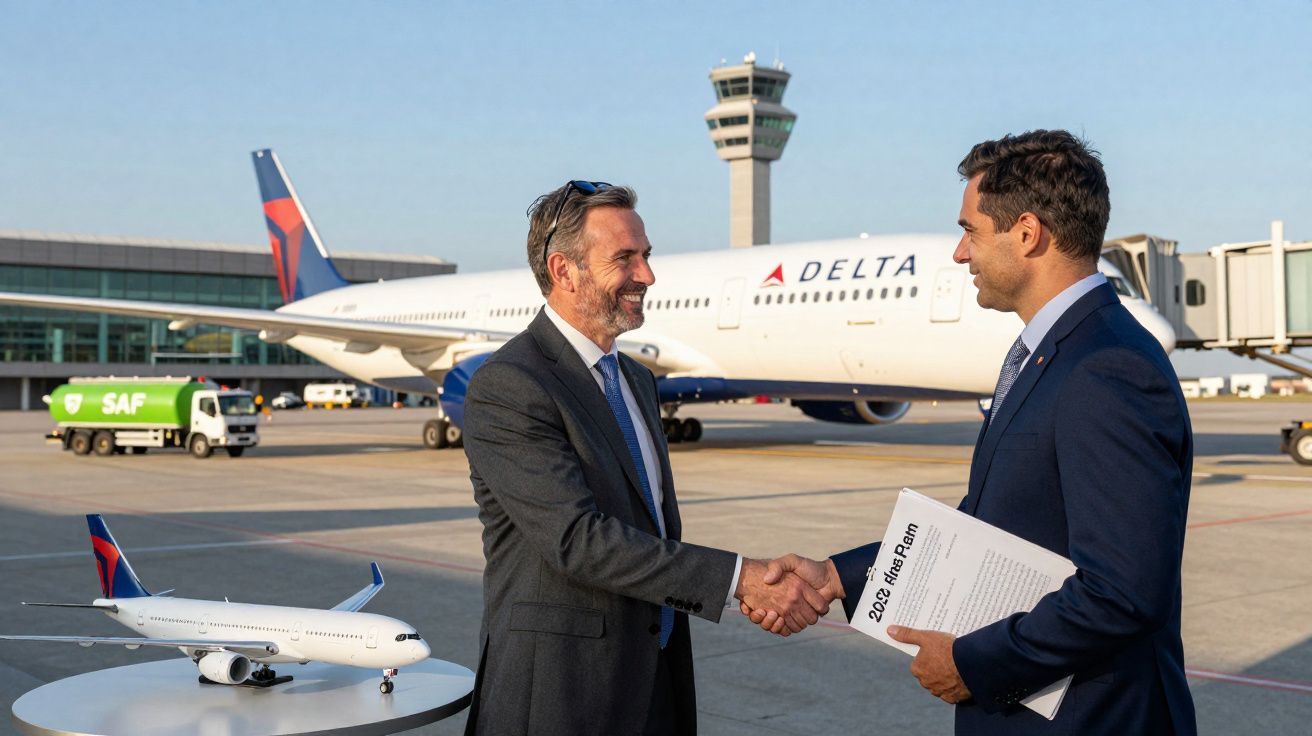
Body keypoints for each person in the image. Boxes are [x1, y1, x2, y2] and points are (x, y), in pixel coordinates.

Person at [746, 131, 1197, 735]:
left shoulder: (1104, 367)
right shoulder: (1056, 354)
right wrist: (834, 577)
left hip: (1091, 717)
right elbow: (990, 528)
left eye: (971, 231)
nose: (961, 254)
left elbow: (1123, 592)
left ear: (1028, 233)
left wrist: (974, 664)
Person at [461, 181, 837, 736]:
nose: (648, 276)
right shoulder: (511, 384)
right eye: (625, 259)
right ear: (564, 271)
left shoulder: (635, 379)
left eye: (647, 256)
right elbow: (578, 541)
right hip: (562, 692)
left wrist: (744, 585)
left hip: (654, 672)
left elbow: (652, 526)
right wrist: (740, 580)